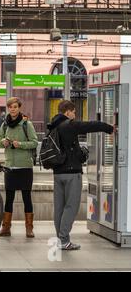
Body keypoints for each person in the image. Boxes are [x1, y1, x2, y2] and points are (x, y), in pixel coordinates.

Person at [49, 100, 114, 250]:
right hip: (72, 173)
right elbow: (90, 125)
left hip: (58, 173)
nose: (74, 115)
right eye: (73, 112)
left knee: (59, 207)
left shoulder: (53, 125)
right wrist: (109, 128)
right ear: (67, 112)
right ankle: (64, 240)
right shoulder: (68, 125)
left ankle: (60, 239)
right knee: (71, 206)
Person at [0, 97, 38, 238]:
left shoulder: (27, 124)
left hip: (25, 166)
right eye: (10, 107)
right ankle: (6, 227)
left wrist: (19, 144)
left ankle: (29, 228)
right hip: (9, 166)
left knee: (27, 197)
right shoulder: (4, 125)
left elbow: (34, 142)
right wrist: (3, 142)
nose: (12, 109)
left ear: (19, 108)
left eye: (15, 107)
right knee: (9, 198)